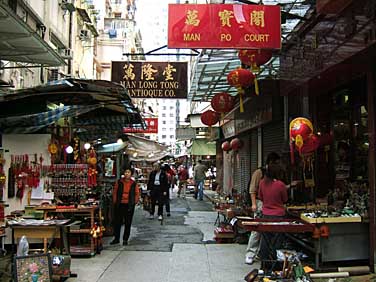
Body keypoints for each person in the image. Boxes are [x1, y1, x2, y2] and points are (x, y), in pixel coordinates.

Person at [245, 152, 281, 264]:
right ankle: (250, 254)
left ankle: (261, 254)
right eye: (276, 163)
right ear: (271, 162)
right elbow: (252, 190)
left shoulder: (275, 174)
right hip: (260, 203)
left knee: (266, 230)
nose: (278, 166)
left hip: (270, 205)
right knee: (257, 229)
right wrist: (254, 204)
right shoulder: (259, 172)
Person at [258, 159, 288, 260]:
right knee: (277, 240)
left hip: (265, 215)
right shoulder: (280, 185)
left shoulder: (262, 183)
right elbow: (285, 199)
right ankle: (275, 261)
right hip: (278, 216)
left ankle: (264, 261)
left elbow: (260, 197)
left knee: (265, 239)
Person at [110, 166, 140, 246]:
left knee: (128, 222)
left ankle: (125, 239)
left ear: (131, 174)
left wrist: (134, 202)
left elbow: (137, 193)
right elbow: (115, 192)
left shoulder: (133, 183)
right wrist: (115, 201)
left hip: (129, 205)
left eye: (128, 172)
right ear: (124, 173)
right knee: (117, 222)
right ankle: (116, 238)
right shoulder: (119, 182)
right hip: (120, 204)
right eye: (126, 172)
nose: (127, 174)